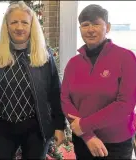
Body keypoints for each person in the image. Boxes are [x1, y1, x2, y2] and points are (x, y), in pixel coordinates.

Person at [0, 1, 66, 159]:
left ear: (31, 25)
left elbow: (55, 92)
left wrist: (59, 126)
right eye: (14, 22)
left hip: (36, 128)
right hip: (4, 127)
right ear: (7, 25)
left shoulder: (44, 55)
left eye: (24, 22)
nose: (19, 27)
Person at [61, 4, 136, 159]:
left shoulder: (126, 58)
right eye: (85, 25)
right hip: (83, 141)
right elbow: (65, 99)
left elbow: (125, 104)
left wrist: (84, 125)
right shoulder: (73, 63)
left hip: (116, 143)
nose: (90, 29)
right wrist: (87, 135)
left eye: (96, 24)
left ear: (107, 27)